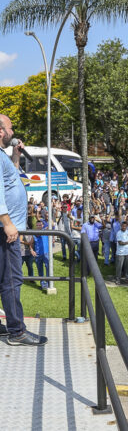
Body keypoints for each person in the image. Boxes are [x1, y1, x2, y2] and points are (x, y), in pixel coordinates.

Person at [0, 115, 43, 346]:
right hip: (6, 231)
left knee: (2, 280)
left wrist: (16, 156)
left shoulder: (3, 157)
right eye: (10, 127)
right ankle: (17, 331)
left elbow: (11, 180)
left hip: (6, 229)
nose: (13, 130)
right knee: (12, 280)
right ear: (0, 132)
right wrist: (8, 224)